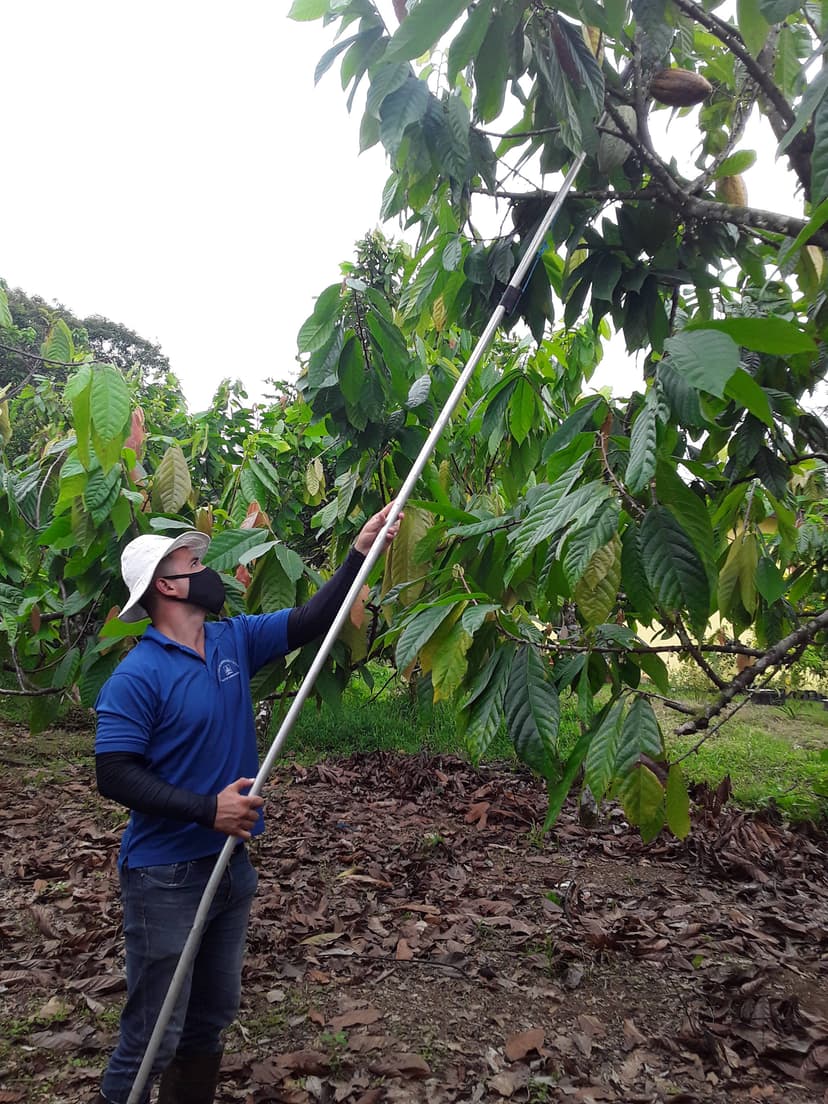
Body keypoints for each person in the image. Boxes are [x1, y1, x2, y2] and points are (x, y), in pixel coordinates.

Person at [92, 503, 400, 1104]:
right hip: (165, 875)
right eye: (194, 563)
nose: (209, 570)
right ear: (167, 584)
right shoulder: (137, 676)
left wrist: (360, 553)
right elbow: (114, 774)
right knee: (154, 1033)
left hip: (230, 868)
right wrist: (207, 809)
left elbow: (313, 618)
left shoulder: (232, 639)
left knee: (209, 1020)